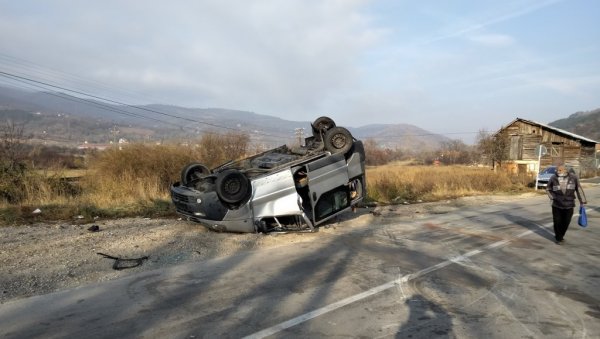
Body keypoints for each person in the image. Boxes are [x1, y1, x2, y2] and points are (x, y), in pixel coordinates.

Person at [546, 165, 587, 244]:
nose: (558, 171)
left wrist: (582, 201)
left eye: (560, 170)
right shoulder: (553, 178)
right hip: (556, 204)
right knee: (557, 221)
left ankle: (560, 235)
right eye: (557, 170)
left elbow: (578, 190)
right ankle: (559, 238)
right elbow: (548, 189)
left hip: (569, 204)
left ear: (565, 170)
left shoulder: (573, 178)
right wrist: (553, 197)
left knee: (566, 222)